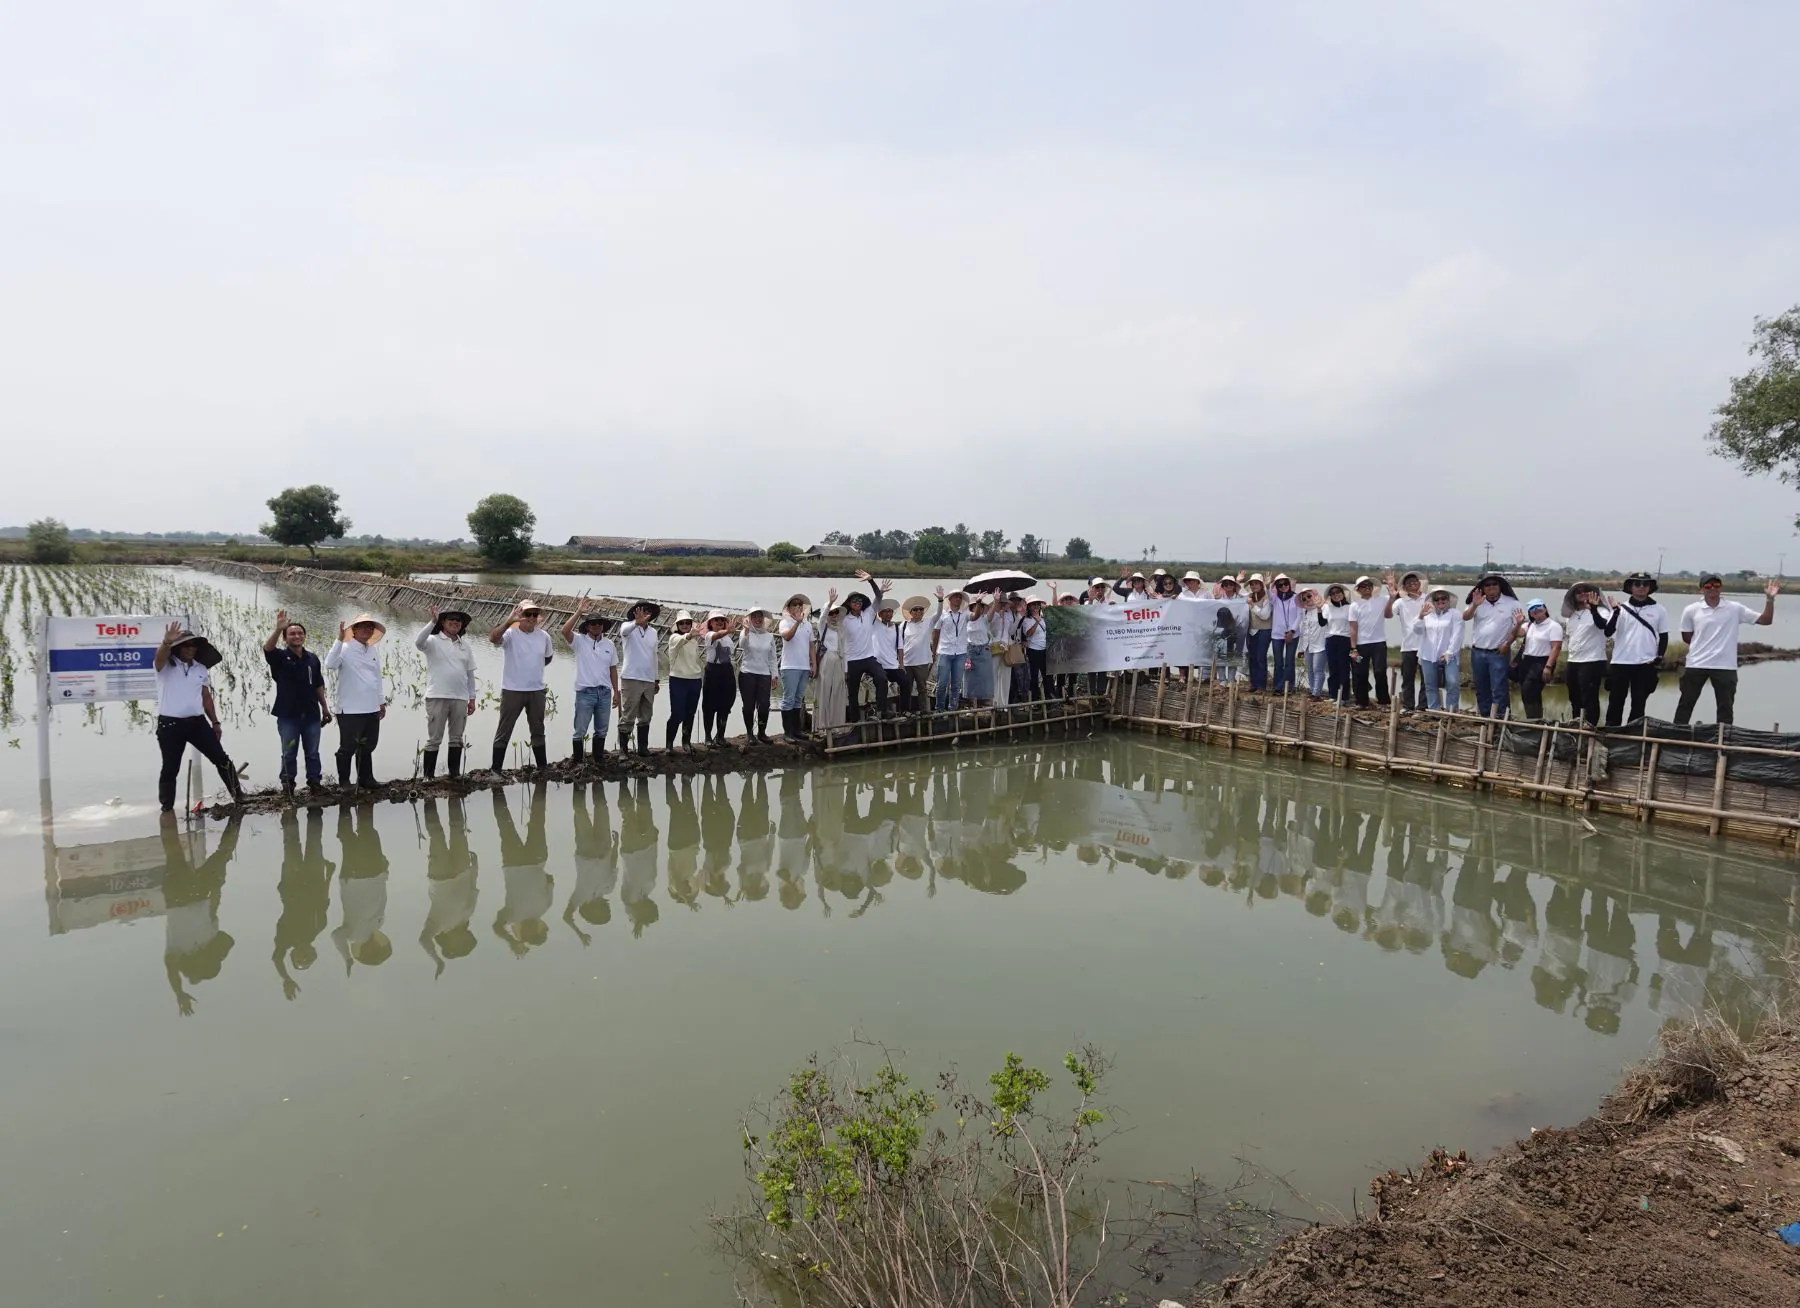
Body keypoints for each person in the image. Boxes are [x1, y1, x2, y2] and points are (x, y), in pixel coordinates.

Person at [1675, 576, 1778, 726]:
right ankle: (1676, 734)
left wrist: (1770, 599)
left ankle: (1723, 737)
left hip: (1725, 665)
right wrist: (1703, 645)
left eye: (1716, 586)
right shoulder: (1691, 610)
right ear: (1701, 589)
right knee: (1686, 703)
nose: (1712, 589)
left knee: (1725, 708)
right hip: (1696, 663)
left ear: (1721, 588)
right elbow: (1686, 636)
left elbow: (1766, 620)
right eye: (1708, 586)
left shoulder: (1735, 608)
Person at [263, 610, 329, 797]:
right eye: (292, 633)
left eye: (300, 633)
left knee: (313, 752)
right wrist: (278, 629)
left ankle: (315, 782)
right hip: (288, 715)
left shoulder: (312, 659)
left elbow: (318, 684)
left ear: (305, 636)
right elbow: (267, 649)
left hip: (311, 714)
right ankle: (288, 784)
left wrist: (325, 707)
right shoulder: (279, 658)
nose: (297, 636)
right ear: (285, 638)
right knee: (289, 752)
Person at [489, 601, 554, 772]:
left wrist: (532, 668)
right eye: (527, 614)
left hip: (536, 690)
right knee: (504, 730)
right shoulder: (510, 633)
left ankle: (542, 768)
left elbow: (548, 658)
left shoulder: (544, 636)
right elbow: (493, 638)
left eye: (534, 614)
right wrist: (509, 621)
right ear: (520, 615)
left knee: (538, 730)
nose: (531, 618)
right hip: (512, 690)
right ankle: (496, 770)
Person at [324, 613, 387, 789]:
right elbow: (330, 664)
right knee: (348, 747)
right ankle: (344, 782)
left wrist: (380, 702)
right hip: (350, 709)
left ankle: (366, 779)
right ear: (354, 630)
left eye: (370, 627)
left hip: (371, 707)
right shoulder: (345, 648)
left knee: (368, 746)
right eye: (363, 626)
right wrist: (339, 639)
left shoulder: (372, 650)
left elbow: (377, 678)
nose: (367, 629)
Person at [414, 605, 477, 778]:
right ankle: (428, 776)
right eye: (451, 619)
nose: (455, 622)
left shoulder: (465, 646)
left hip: (460, 697)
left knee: (457, 738)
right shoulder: (432, 641)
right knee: (434, 739)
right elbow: (418, 643)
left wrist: (472, 698)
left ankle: (454, 774)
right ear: (442, 622)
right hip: (437, 696)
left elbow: (470, 674)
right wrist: (431, 622)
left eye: (459, 620)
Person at [420, 796, 478, 976]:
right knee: (458, 829)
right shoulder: (467, 915)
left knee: (436, 833)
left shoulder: (438, 926)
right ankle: (454, 794)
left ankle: (428, 797)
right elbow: (472, 888)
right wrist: (475, 868)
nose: (464, 938)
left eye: (461, 943)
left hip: (440, 876)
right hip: (462, 869)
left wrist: (437, 960)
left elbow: (423, 940)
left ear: (450, 943)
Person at [1599, 572, 1667, 727]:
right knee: (1616, 701)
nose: (1641, 587)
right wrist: (1616, 611)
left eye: (1645, 584)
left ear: (1650, 587)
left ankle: (1634, 733)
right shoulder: (1620, 608)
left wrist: (1660, 656)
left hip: (1645, 663)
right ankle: (1611, 732)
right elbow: (1608, 632)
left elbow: (1663, 636)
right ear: (1630, 587)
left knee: (1639, 702)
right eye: (1637, 584)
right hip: (1620, 662)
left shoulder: (1659, 609)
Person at [561, 601, 619, 762]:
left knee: (602, 730)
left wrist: (616, 692)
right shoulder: (579, 641)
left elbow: (613, 669)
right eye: (593, 623)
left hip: (604, 693)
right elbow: (565, 631)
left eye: (599, 623)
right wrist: (579, 611)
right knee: (580, 730)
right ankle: (578, 761)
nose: (597, 625)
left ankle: (598, 760)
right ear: (587, 626)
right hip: (585, 693)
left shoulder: (609, 644)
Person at [1462, 574, 1524, 718]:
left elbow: (1517, 630)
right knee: (1481, 686)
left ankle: (1501, 718)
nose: (1491, 587)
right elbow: (1465, 617)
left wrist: (1508, 644)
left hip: (1499, 652)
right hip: (1478, 652)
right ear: (1483, 588)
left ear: (1500, 586)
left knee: (1499, 687)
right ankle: (1485, 717)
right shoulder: (1478, 601)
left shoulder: (1512, 603)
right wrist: (1475, 605)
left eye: (1494, 584)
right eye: (1487, 585)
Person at [838, 571, 891, 722]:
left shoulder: (868, 613)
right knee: (853, 692)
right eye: (854, 601)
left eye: (860, 600)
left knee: (882, 679)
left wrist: (871, 581)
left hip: (869, 657)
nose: (858, 603)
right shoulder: (844, 619)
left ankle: (882, 711)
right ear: (849, 603)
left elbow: (879, 597)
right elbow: (829, 619)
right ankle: (855, 721)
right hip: (852, 660)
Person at [1559, 583, 1613, 727]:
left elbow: (1603, 626)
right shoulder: (1571, 616)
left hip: (1593, 660)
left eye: (1586, 591)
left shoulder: (1601, 611)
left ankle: (1590, 728)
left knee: (1589, 697)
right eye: (1578, 592)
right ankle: (1576, 725)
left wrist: (1593, 609)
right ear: (1573, 596)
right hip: (1573, 660)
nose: (1582, 594)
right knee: (1574, 696)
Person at [616, 600, 662, 755]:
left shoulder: (653, 632)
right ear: (635, 613)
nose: (645, 613)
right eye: (641, 610)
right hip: (631, 677)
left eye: (647, 611)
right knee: (628, 715)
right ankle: (623, 750)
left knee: (646, 715)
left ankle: (643, 748)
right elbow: (624, 632)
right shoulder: (627, 627)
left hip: (649, 679)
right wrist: (637, 622)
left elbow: (654, 655)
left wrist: (656, 678)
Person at [1413, 587, 1464, 711]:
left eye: (1443, 598)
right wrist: (1420, 616)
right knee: (1430, 685)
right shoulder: (1427, 615)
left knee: (1452, 683)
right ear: (1432, 601)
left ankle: (1451, 711)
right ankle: (1434, 711)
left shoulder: (1455, 614)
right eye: (1436, 599)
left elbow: (1457, 635)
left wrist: (1449, 652)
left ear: (1448, 599)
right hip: (1428, 655)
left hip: (1449, 655)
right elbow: (1417, 631)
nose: (1440, 601)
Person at [1512, 599, 1563, 720]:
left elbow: (1556, 647)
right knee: (1530, 693)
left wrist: (1548, 667)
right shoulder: (1529, 625)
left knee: (1528, 690)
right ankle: (1535, 720)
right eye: (1532, 610)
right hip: (1527, 661)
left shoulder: (1553, 626)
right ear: (1530, 613)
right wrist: (1518, 623)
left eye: (1539, 608)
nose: (1536, 611)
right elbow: (1517, 633)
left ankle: (1534, 720)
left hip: (1542, 662)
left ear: (1545, 609)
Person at [1347, 576, 1392, 709]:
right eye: (1363, 586)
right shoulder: (1354, 606)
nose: (1367, 588)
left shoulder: (1382, 600)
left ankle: (1383, 702)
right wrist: (1353, 648)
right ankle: (1362, 702)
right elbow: (1353, 628)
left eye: (1369, 585)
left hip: (1379, 643)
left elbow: (1392, 607)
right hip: (1361, 645)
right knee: (1361, 672)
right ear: (1358, 590)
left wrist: (1392, 590)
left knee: (1380, 671)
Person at [665, 610, 706, 751]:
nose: (685, 625)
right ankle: (669, 745)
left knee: (690, 713)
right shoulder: (674, 638)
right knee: (677, 713)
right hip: (678, 680)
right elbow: (682, 640)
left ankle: (686, 742)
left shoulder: (694, 641)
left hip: (694, 680)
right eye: (681, 623)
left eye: (687, 622)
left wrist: (692, 636)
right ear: (677, 625)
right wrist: (689, 635)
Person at [738, 605, 778, 743]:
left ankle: (762, 732)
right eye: (754, 616)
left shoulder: (769, 636)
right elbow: (742, 645)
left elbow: (772, 657)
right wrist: (746, 630)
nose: (757, 619)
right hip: (747, 673)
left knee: (764, 705)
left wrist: (774, 675)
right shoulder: (745, 632)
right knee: (748, 706)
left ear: (763, 618)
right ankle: (750, 733)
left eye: (759, 616)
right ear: (749, 619)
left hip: (764, 675)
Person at [777, 594, 814, 739]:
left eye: (800, 604)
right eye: (795, 604)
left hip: (804, 666)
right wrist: (797, 623)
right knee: (788, 699)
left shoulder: (808, 624)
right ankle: (787, 732)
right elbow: (787, 637)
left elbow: (811, 645)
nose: (798, 606)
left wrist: (814, 664)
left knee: (798, 699)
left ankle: (797, 730)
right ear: (789, 608)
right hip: (790, 666)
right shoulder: (784, 622)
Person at [700, 610, 739, 744]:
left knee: (725, 704)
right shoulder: (709, 635)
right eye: (716, 620)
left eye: (722, 620)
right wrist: (727, 631)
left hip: (727, 670)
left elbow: (730, 655)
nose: (719, 622)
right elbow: (717, 635)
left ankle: (720, 736)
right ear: (710, 623)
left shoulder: (728, 639)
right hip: (713, 671)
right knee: (709, 706)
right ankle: (708, 737)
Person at [1391, 572, 1429, 710]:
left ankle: (1423, 706)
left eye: (1414, 581)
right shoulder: (1400, 602)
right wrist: (1392, 596)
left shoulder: (1428, 598)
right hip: (1408, 645)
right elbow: (1388, 614)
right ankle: (1408, 705)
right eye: (1408, 583)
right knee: (1407, 678)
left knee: (1426, 679)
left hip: (1426, 645)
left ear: (1419, 583)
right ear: (1404, 587)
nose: (1412, 584)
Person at [932, 586, 969, 709]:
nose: (958, 599)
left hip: (960, 653)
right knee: (942, 683)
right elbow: (936, 633)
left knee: (956, 685)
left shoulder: (965, 614)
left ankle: (953, 708)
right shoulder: (942, 615)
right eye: (956, 597)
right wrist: (934, 652)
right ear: (950, 599)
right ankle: (939, 709)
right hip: (944, 652)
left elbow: (976, 616)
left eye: (960, 597)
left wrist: (978, 602)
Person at [896, 595, 934, 713]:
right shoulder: (903, 625)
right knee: (906, 688)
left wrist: (940, 600)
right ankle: (906, 711)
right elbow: (899, 645)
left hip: (922, 662)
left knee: (922, 688)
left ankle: (924, 711)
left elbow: (938, 614)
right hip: (907, 662)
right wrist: (900, 662)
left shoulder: (928, 622)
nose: (918, 611)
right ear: (911, 612)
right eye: (915, 609)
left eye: (921, 609)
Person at [813, 601, 848, 730]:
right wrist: (829, 604)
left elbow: (844, 650)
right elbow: (822, 619)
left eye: (836, 613)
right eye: (831, 613)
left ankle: (836, 725)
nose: (834, 616)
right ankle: (822, 725)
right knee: (824, 691)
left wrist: (846, 669)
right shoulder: (823, 627)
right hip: (826, 660)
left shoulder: (841, 629)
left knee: (837, 692)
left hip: (838, 660)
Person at [1268, 575, 1302, 693]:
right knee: (1278, 662)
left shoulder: (1297, 597)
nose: (1283, 587)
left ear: (1289, 584)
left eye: (1285, 584)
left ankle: (1289, 687)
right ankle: (1278, 687)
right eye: (1280, 585)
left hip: (1293, 634)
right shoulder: (1274, 598)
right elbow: (1268, 595)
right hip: (1277, 634)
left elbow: (1299, 615)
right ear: (1276, 587)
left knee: (1289, 661)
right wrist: (1267, 585)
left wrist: (1292, 631)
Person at [1320, 583, 1353, 703]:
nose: (1336, 595)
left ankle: (1344, 697)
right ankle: (1333, 695)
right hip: (1331, 639)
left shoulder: (1350, 607)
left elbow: (1354, 625)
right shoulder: (1327, 607)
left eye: (1338, 592)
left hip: (1345, 639)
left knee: (1344, 668)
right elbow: (1322, 623)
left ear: (1343, 593)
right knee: (1332, 667)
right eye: (1333, 593)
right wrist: (1318, 609)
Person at [1296, 587, 1330, 698]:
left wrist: (1321, 606)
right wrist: (1301, 648)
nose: (1307, 599)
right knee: (1310, 670)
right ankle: (1312, 691)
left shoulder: (1324, 607)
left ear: (1314, 595)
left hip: (1320, 645)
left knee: (1318, 669)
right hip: (1307, 646)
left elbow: (1326, 622)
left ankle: (1316, 693)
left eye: (1309, 596)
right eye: (1304, 599)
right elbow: (1303, 631)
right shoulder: (1305, 611)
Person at [873, 595, 904, 714]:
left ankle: (904, 709)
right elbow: (872, 610)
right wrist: (879, 593)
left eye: (890, 611)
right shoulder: (875, 625)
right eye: (885, 611)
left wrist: (901, 664)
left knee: (906, 681)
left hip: (893, 665)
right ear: (880, 614)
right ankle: (881, 711)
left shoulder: (896, 628)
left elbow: (900, 648)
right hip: (878, 665)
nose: (888, 614)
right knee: (882, 682)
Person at [963, 593, 996, 706]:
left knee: (985, 676)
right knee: (970, 677)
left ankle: (985, 702)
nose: (978, 608)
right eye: (976, 606)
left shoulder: (984, 619)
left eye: (981, 607)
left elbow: (991, 614)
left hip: (983, 650)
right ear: (971, 608)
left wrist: (995, 601)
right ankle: (971, 703)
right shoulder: (967, 619)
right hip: (970, 650)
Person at [1244, 575, 1273, 691]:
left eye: (1256, 583)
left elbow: (1265, 615)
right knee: (1252, 657)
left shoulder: (1267, 598)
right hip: (1251, 631)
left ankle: (1261, 685)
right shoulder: (1249, 597)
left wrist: (1252, 605)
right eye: (1252, 584)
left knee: (1261, 657)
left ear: (1261, 585)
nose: (1254, 586)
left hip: (1264, 630)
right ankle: (1253, 684)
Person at [1021, 595, 1049, 700]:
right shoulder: (1026, 620)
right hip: (1033, 650)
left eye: (1037, 604)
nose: (1036, 606)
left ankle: (1048, 697)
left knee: (1046, 675)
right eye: (1033, 604)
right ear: (1029, 606)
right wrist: (1037, 622)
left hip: (1044, 649)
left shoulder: (1043, 618)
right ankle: (1034, 698)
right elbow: (1028, 634)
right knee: (1034, 676)